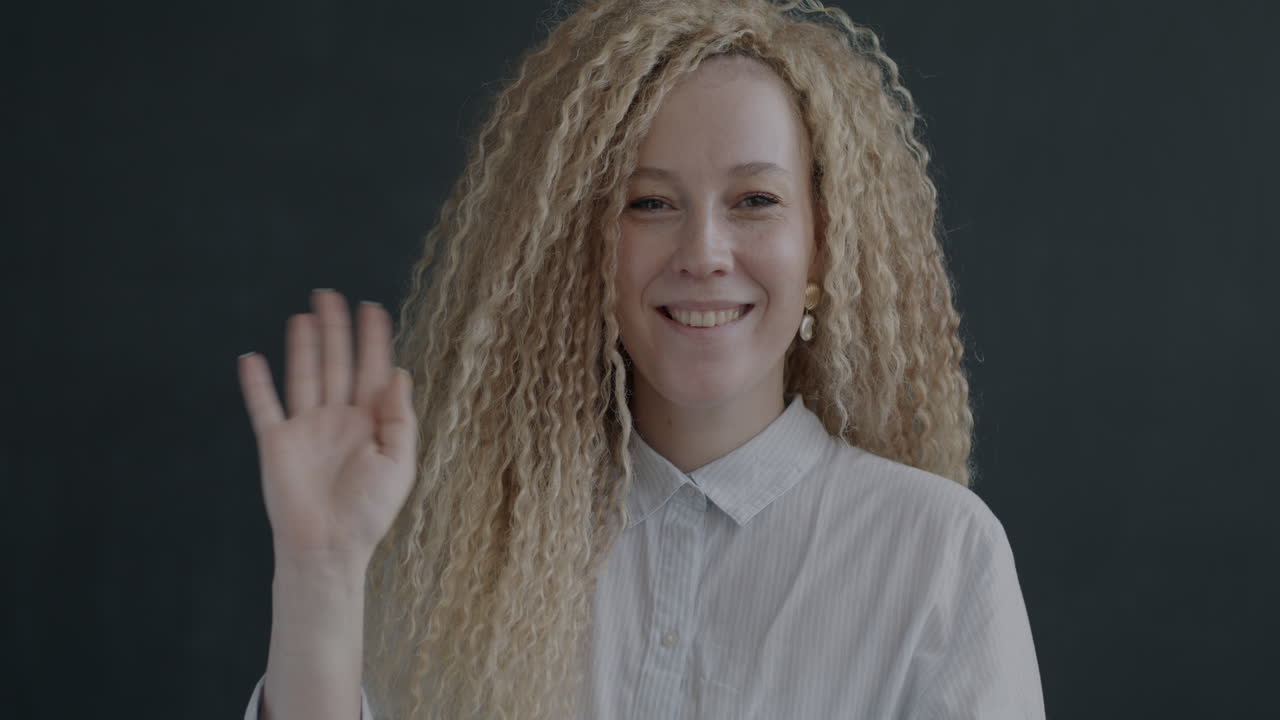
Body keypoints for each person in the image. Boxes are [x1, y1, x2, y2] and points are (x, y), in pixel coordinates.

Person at [236, 0, 1046, 718]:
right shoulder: (461, 552)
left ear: (823, 251)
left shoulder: (940, 555)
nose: (703, 251)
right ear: (586, 251)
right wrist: (321, 572)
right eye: (649, 202)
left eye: (755, 201)